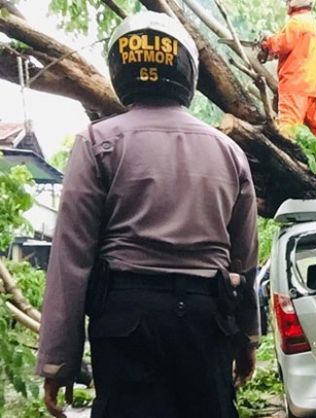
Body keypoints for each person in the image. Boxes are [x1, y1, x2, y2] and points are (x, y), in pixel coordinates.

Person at [37, 11, 260, 418]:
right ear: (187, 72)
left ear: (122, 70)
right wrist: (247, 339)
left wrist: (58, 362)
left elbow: (71, 259)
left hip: (125, 318)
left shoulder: (97, 142)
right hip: (206, 318)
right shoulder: (228, 152)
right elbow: (243, 263)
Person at [260, 0, 316, 167]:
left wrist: (268, 41)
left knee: (288, 127)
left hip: (295, 85)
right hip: (314, 88)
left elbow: (281, 44)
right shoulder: (315, 27)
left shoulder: (296, 23)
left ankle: (285, 165)